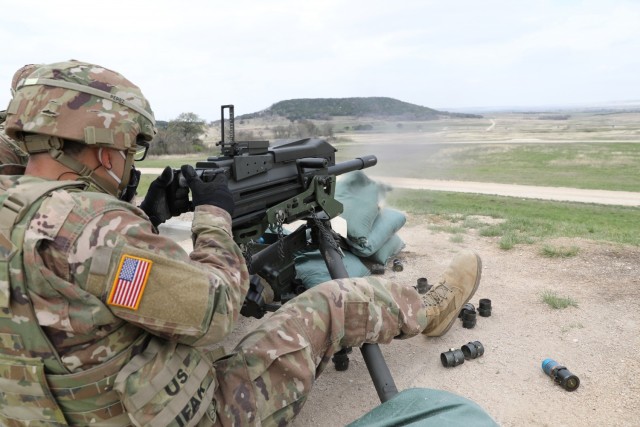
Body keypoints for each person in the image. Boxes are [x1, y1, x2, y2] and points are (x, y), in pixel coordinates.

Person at [0, 60, 484, 426]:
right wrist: (215, 216)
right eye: (129, 153)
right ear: (105, 152)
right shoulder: (96, 227)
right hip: (170, 415)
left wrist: (146, 215)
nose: (129, 164)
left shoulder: (17, 206)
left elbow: (82, 280)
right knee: (333, 303)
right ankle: (428, 310)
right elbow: (216, 312)